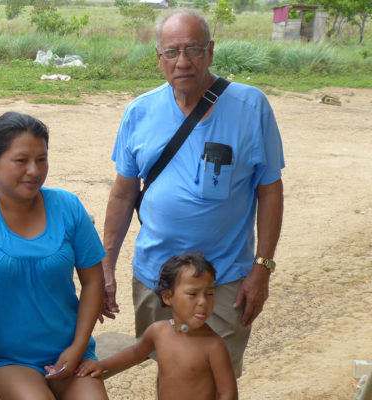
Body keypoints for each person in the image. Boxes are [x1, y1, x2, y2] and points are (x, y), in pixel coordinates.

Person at [101, 10, 284, 378]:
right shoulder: (139, 111)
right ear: (158, 57)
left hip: (222, 281)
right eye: (171, 52)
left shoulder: (251, 108)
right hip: (156, 279)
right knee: (170, 371)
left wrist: (261, 269)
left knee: (214, 379)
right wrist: (106, 266)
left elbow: (270, 192)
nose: (182, 61)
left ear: (211, 51)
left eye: (193, 49)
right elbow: (123, 195)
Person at [0, 112, 108, 400]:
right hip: (1, 357)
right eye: (21, 161)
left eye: (41, 159)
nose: (34, 171)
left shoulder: (67, 206)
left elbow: (93, 282)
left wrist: (77, 348)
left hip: (67, 349)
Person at [78, 254, 238, 400]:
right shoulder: (158, 332)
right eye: (193, 294)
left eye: (209, 293)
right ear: (168, 297)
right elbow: (135, 353)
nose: (203, 301)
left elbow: (228, 393)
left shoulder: (213, 346)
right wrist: (102, 365)